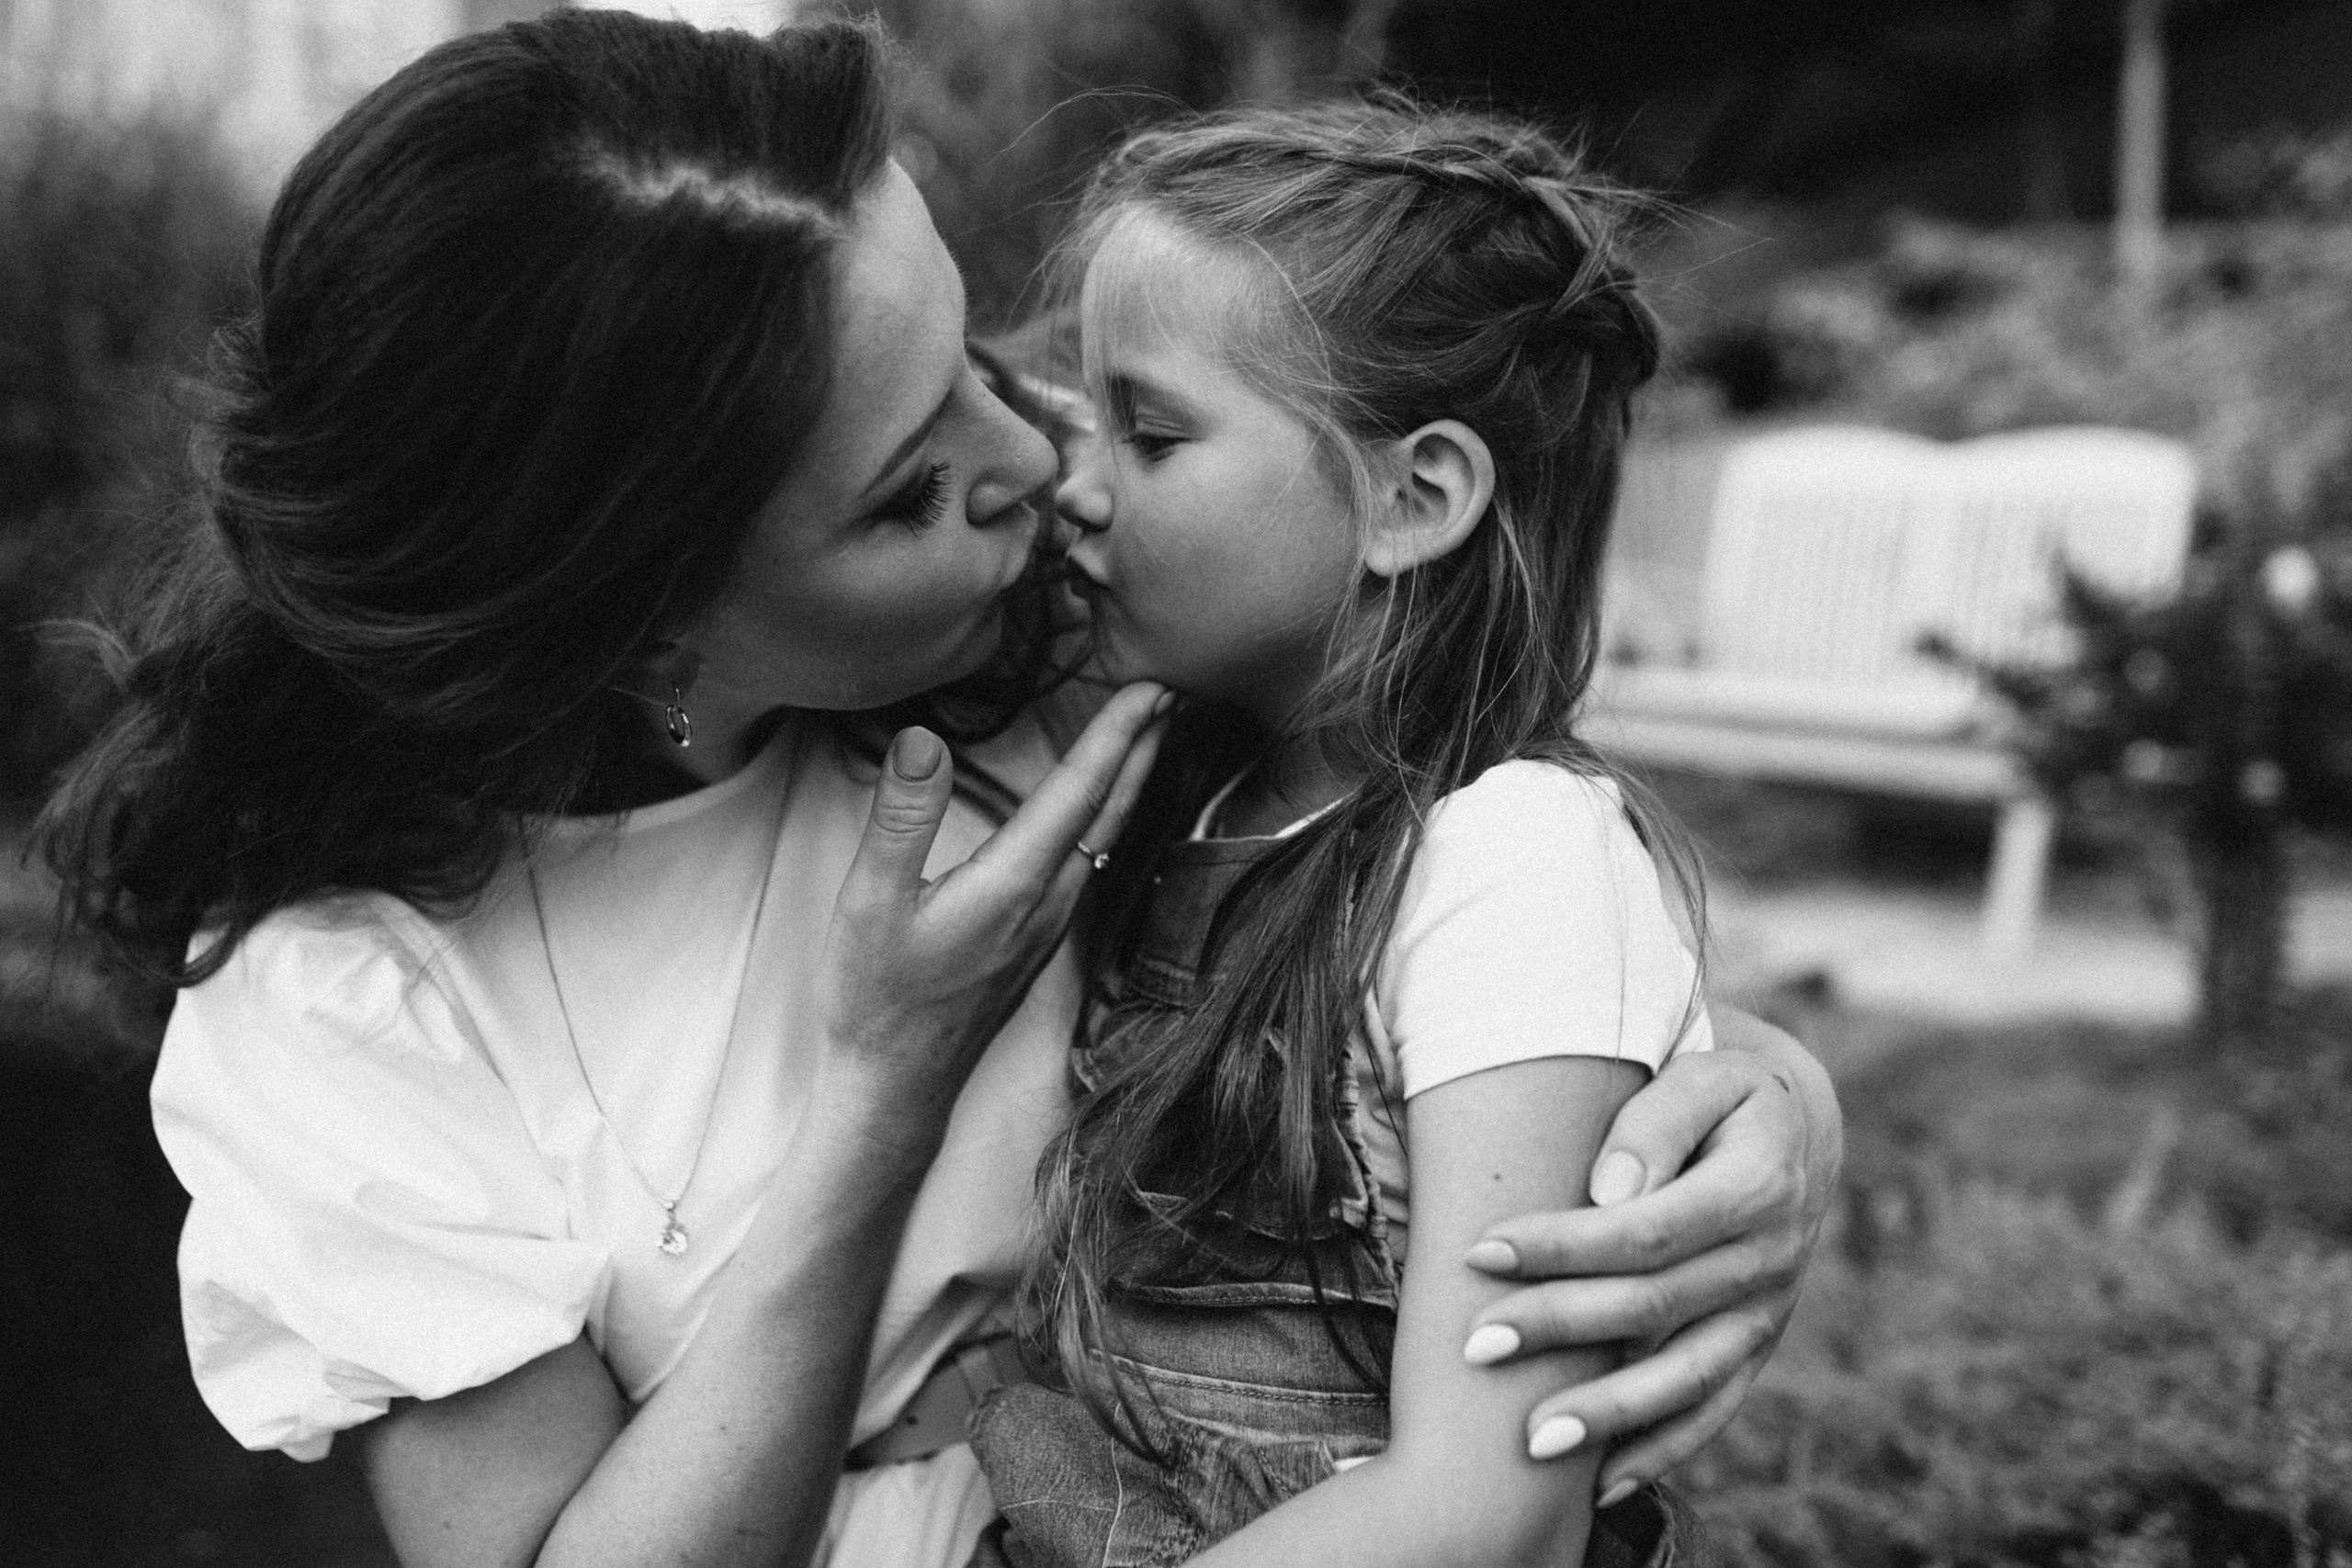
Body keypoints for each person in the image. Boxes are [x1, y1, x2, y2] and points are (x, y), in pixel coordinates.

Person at [36, 15, 1838, 1568]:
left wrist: (1748, 1094)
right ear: (635, 627)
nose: (1037, 465)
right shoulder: (352, 1001)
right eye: (908, 489)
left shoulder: (1060, 633)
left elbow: (1427, 864)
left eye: (978, 356)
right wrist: (887, 1078)